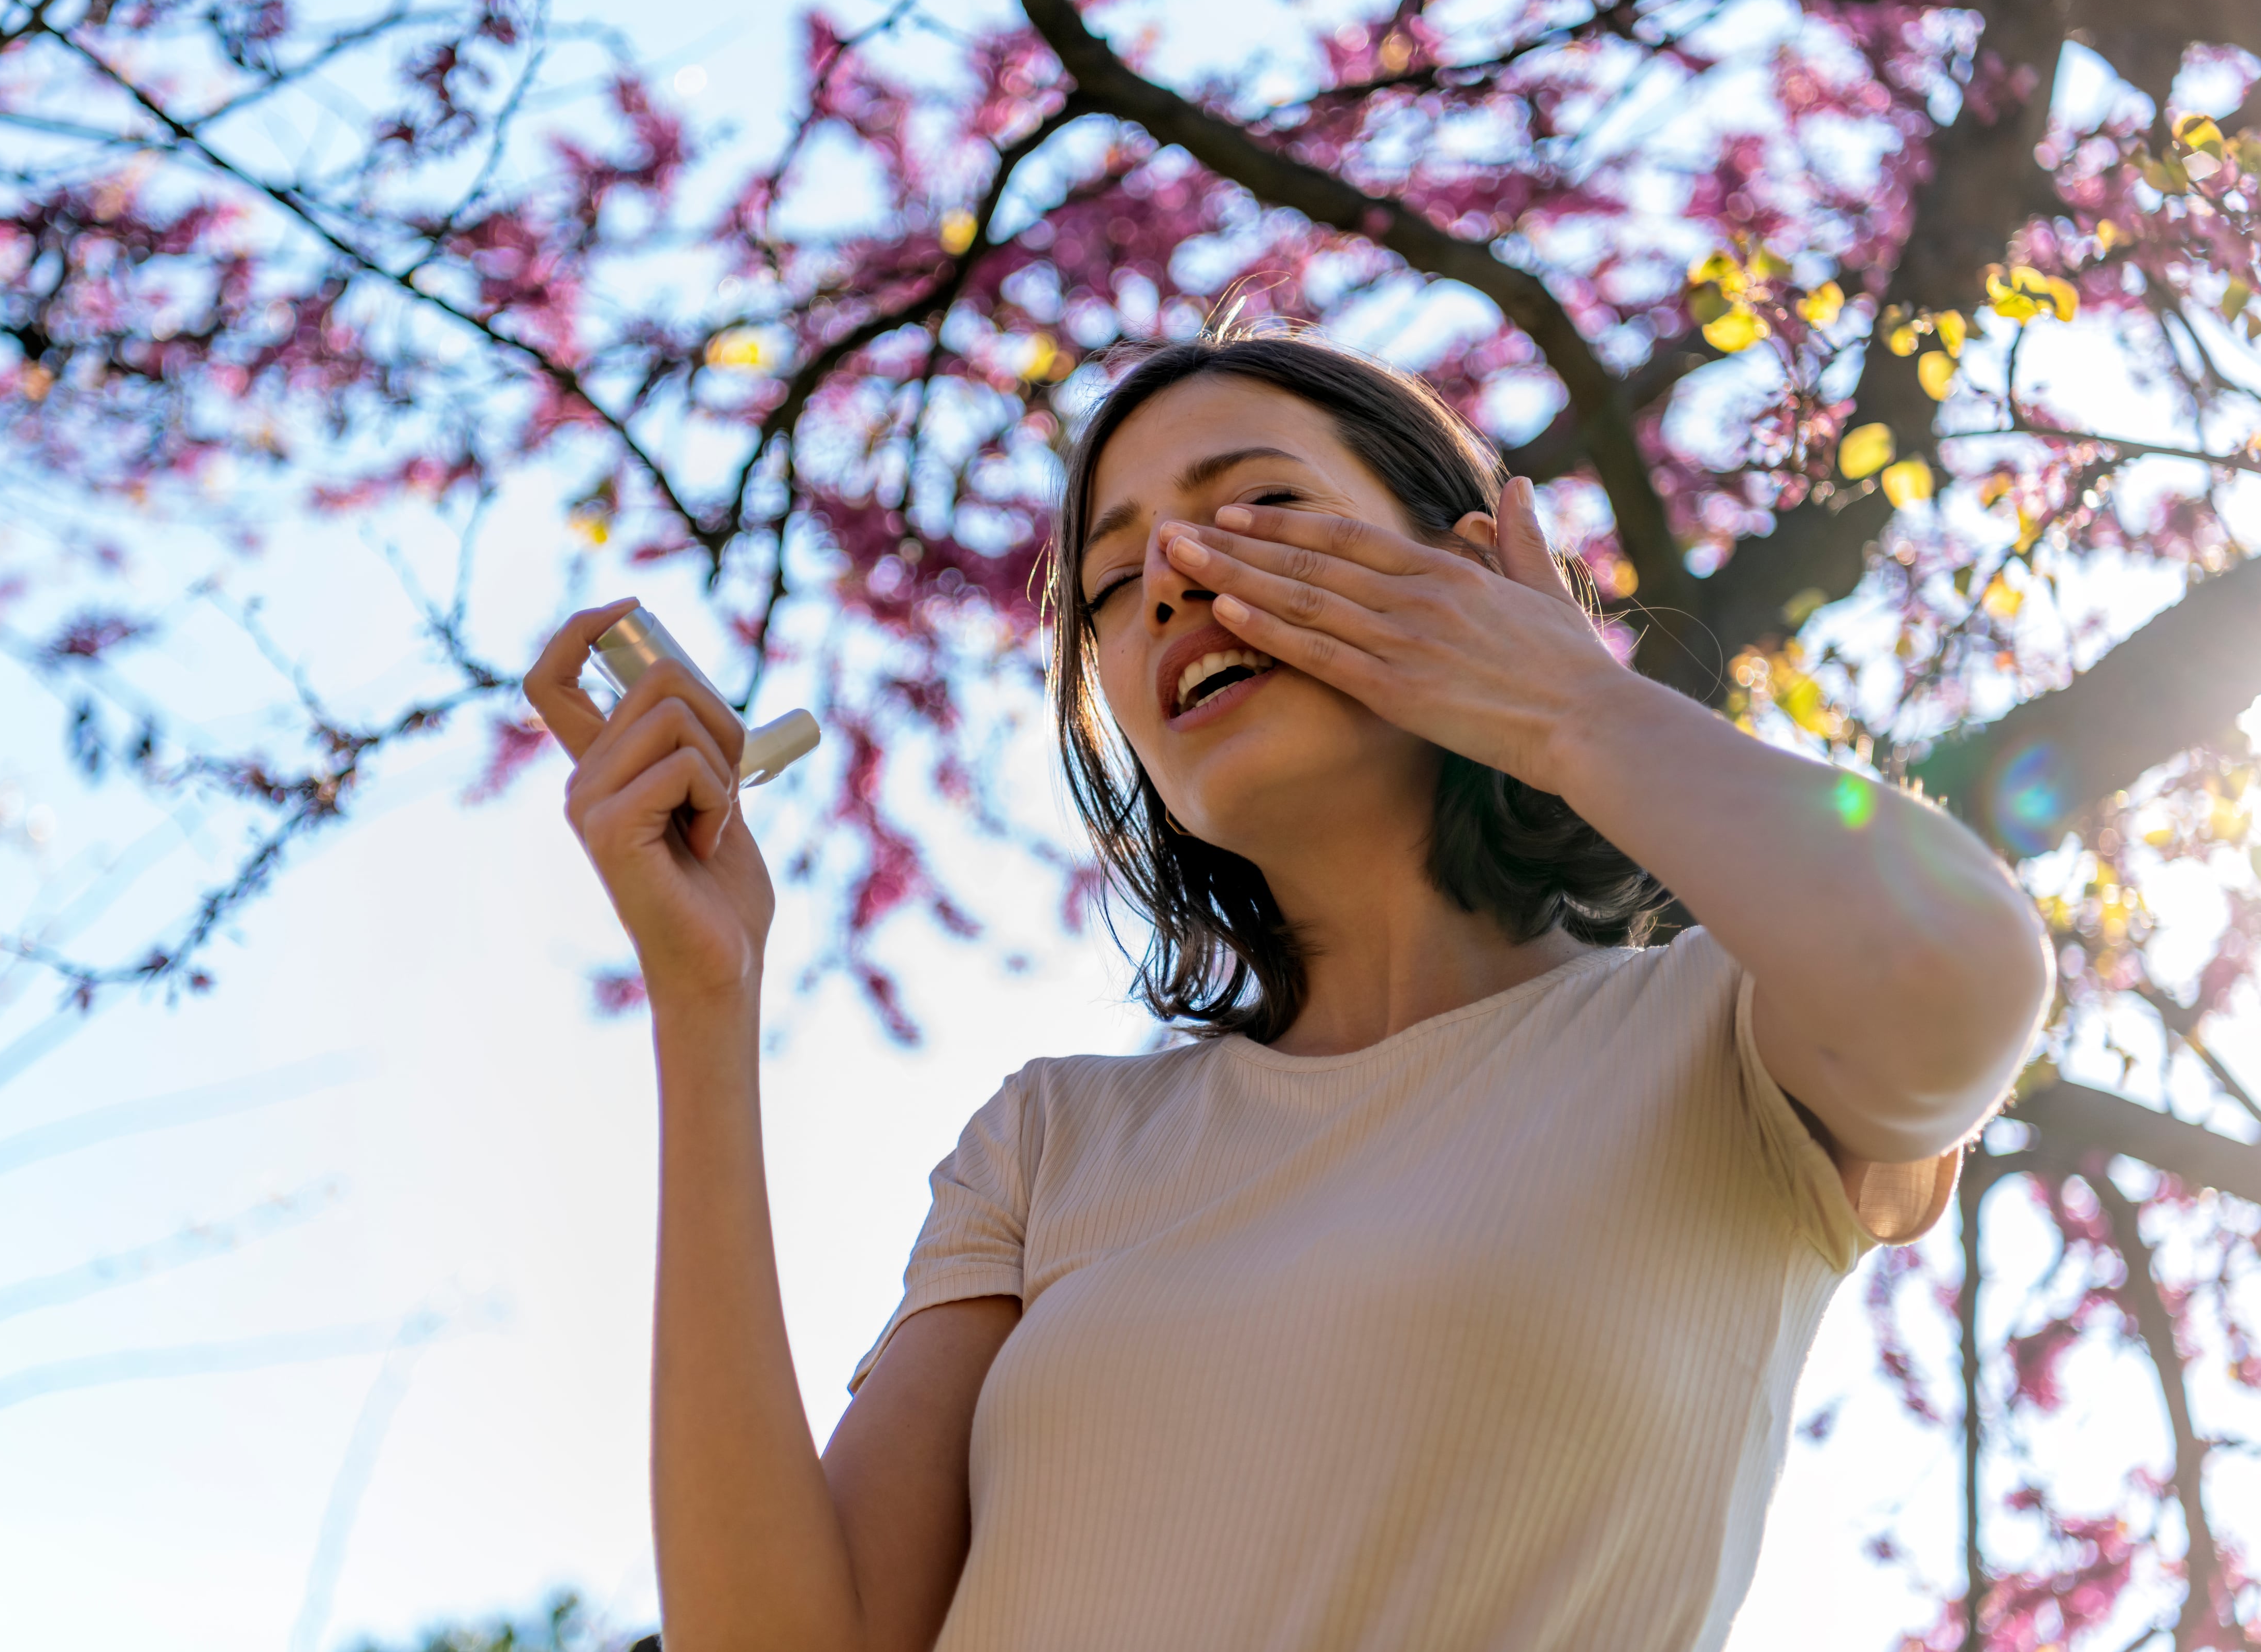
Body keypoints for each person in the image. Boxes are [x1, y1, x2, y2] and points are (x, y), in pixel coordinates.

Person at [523, 334, 2053, 1652]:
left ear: (1470, 569)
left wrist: (1563, 696)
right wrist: (704, 1000)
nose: (1177, 578)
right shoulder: (1054, 1144)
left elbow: (1962, 983)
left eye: (1259, 509)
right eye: (1113, 584)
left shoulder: (1721, 1040)